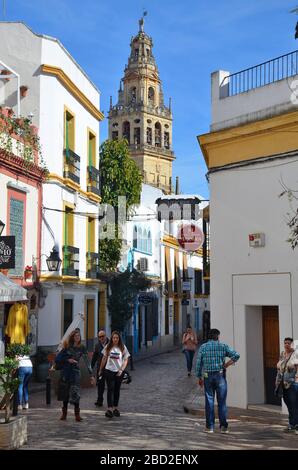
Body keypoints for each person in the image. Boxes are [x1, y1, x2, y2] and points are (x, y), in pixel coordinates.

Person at [196, 328, 240, 434]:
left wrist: (199, 377)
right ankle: (223, 427)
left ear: (208, 336)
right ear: (218, 336)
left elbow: (198, 364)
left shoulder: (203, 347)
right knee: (222, 402)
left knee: (209, 402)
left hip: (207, 376)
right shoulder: (223, 346)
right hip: (220, 376)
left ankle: (210, 427)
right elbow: (236, 355)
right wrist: (226, 365)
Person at [55, 330, 95, 421]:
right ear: (72, 337)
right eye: (76, 336)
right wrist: (68, 360)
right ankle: (64, 414)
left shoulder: (82, 347)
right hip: (66, 372)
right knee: (65, 393)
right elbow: (57, 359)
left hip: (75, 372)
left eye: (79, 336)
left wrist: (91, 375)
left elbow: (87, 361)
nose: (78, 337)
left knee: (75, 392)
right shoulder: (67, 347)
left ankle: (77, 414)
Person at [99, 330, 130, 418]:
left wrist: (122, 369)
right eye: (114, 338)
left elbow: (126, 359)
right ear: (111, 339)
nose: (115, 339)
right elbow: (104, 358)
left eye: (117, 338)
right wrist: (101, 369)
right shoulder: (108, 347)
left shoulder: (122, 347)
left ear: (119, 339)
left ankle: (115, 408)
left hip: (118, 372)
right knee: (110, 389)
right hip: (109, 370)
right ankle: (109, 409)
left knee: (117, 390)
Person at [275, 337, 298, 433]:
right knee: (288, 404)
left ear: (292, 344)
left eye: (289, 343)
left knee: (294, 404)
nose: (286, 345)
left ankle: (295, 425)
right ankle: (291, 424)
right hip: (282, 384)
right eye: (285, 343)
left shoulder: (295, 354)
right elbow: (279, 369)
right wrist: (276, 380)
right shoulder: (282, 354)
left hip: (292, 383)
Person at [91, 330, 109, 407]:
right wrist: (91, 366)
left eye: (103, 336)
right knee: (100, 385)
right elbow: (94, 357)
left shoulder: (110, 344)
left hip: (109, 368)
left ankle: (110, 402)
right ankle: (99, 400)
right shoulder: (97, 345)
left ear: (106, 336)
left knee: (110, 385)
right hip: (100, 369)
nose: (101, 338)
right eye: (100, 337)